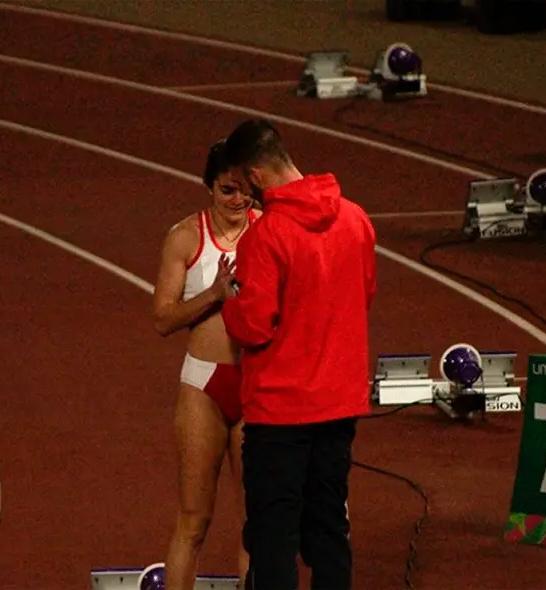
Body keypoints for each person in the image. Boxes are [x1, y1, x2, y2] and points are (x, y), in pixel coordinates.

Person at [216, 119, 378, 590]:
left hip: (280, 412)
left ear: (256, 176)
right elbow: (363, 294)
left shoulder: (265, 237)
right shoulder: (355, 218)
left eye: (243, 186)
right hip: (339, 404)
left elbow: (252, 324)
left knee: (273, 537)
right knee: (329, 527)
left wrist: (229, 299)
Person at [151, 140, 261, 590]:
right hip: (205, 387)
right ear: (208, 189)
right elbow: (162, 318)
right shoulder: (186, 237)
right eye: (227, 191)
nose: (237, 201)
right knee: (194, 521)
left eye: (244, 191)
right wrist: (214, 294)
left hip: (258, 386)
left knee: (259, 525)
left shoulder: (270, 230)